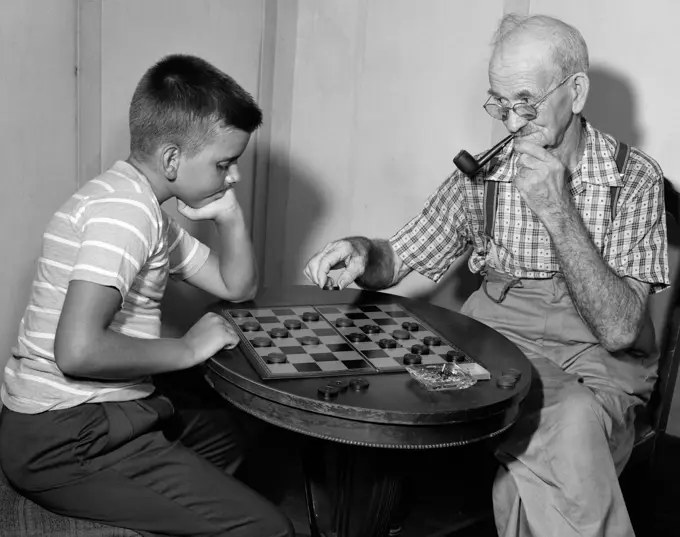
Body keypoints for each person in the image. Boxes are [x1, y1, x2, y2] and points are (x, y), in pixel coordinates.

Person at [305, 14, 668, 537]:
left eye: (526, 101)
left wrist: (557, 208)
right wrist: (362, 252)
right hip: (501, 348)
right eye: (500, 103)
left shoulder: (634, 178)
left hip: (600, 364)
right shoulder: (485, 174)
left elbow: (619, 330)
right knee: (397, 391)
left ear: (577, 91)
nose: (512, 122)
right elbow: (400, 254)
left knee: (569, 423)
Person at [0, 54, 294, 537]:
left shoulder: (139, 207)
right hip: (65, 436)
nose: (234, 176)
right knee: (272, 530)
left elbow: (236, 286)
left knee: (232, 435)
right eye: (225, 164)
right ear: (173, 159)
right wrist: (188, 348)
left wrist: (229, 216)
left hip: (101, 412)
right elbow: (76, 351)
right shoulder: (125, 214)